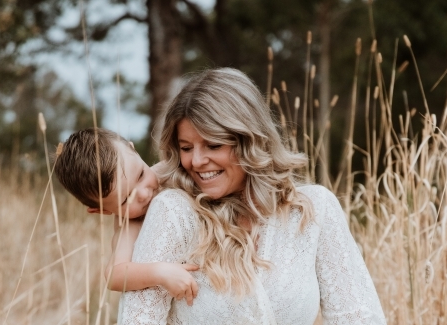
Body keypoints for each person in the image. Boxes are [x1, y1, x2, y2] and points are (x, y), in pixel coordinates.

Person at [119, 67, 386, 324]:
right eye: (186, 148)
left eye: (214, 144)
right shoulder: (173, 212)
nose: (197, 161)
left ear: (250, 140)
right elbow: (138, 319)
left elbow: (358, 316)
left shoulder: (314, 208)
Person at [54, 128, 199, 305]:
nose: (144, 194)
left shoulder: (165, 170)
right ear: (102, 211)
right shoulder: (130, 224)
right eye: (125, 199)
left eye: (140, 175)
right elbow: (115, 275)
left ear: (133, 149)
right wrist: (161, 273)